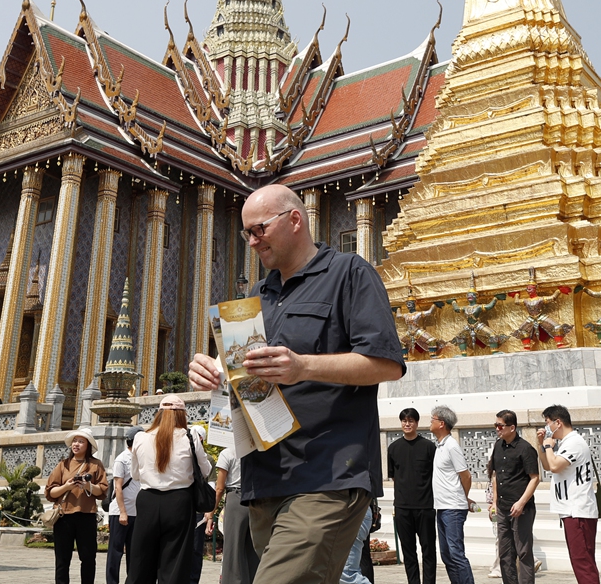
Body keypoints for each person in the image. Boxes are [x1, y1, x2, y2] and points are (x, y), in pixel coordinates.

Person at [188, 184, 405, 584]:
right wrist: (213, 375)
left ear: (294, 219)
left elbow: (387, 364)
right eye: (246, 234)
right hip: (264, 477)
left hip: (326, 473)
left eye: (259, 230)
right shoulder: (256, 296)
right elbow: (243, 378)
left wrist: (303, 366)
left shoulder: (349, 274)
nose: (252, 242)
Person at [126, 395, 211, 584]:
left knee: (141, 559)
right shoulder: (190, 438)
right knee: (175, 561)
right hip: (179, 501)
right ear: (182, 414)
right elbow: (205, 471)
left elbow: (136, 474)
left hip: (148, 499)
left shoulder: (140, 437)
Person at [535, 404, 599, 584]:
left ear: (558, 422)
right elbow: (548, 467)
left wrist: (548, 446)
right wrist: (543, 446)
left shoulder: (574, 442)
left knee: (583, 563)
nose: (547, 428)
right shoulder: (566, 443)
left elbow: (554, 465)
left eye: (548, 423)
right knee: (581, 561)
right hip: (572, 511)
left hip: (578, 510)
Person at [45, 428, 108, 584]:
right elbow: (50, 492)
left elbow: (102, 491)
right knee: (62, 558)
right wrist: (67, 486)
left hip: (86, 515)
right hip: (63, 516)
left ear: (88, 445)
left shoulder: (95, 465)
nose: (76, 444)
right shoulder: (63, 465)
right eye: (74, 441)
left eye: (81, 441)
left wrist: (87, 486)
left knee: (88, 558)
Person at [488, 409, 539, 584]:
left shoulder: (525, 448)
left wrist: (521, 502)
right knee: (505, 553)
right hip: (502, 507)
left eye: (500, 425)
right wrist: (494, 502)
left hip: (521, 509)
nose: (497, 429)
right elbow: (495, 475)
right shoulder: (497, 445)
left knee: (523, 552)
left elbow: (535, 478)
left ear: (512, 427)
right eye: (495, 425)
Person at [387, 408, 436, 584]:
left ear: (417, 423)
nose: (407, 424)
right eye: (404, 421)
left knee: (428, 550)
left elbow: (434, 475)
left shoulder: (429, 447)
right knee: (408, 552)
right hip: (402, 507)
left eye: (411, 421)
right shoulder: (393, 448)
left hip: (425, 507)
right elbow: (393, 475)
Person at [430, 405, 474, 584]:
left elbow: (466, 475)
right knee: (446, 555)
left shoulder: (451, 446)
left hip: (453, 508)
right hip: (441, 506)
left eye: (432, 419)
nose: (429, 423)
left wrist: (463, 496)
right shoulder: (440, 445)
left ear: (441, 423)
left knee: (456, 554)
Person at [207, 443, 259, 584]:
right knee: (253, 546)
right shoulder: (256, 450)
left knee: (233, 547)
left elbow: (219, 488)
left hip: (236, 499)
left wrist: (211, 513)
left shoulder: (228, 453)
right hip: (256, 498)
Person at [107, 426, 142, 584]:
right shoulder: (122, 459)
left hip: (137, 512)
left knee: (134, 552)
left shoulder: (142, 459)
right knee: (115, 551)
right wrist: (122, 512)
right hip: (120, 512)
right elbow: (118, 487)